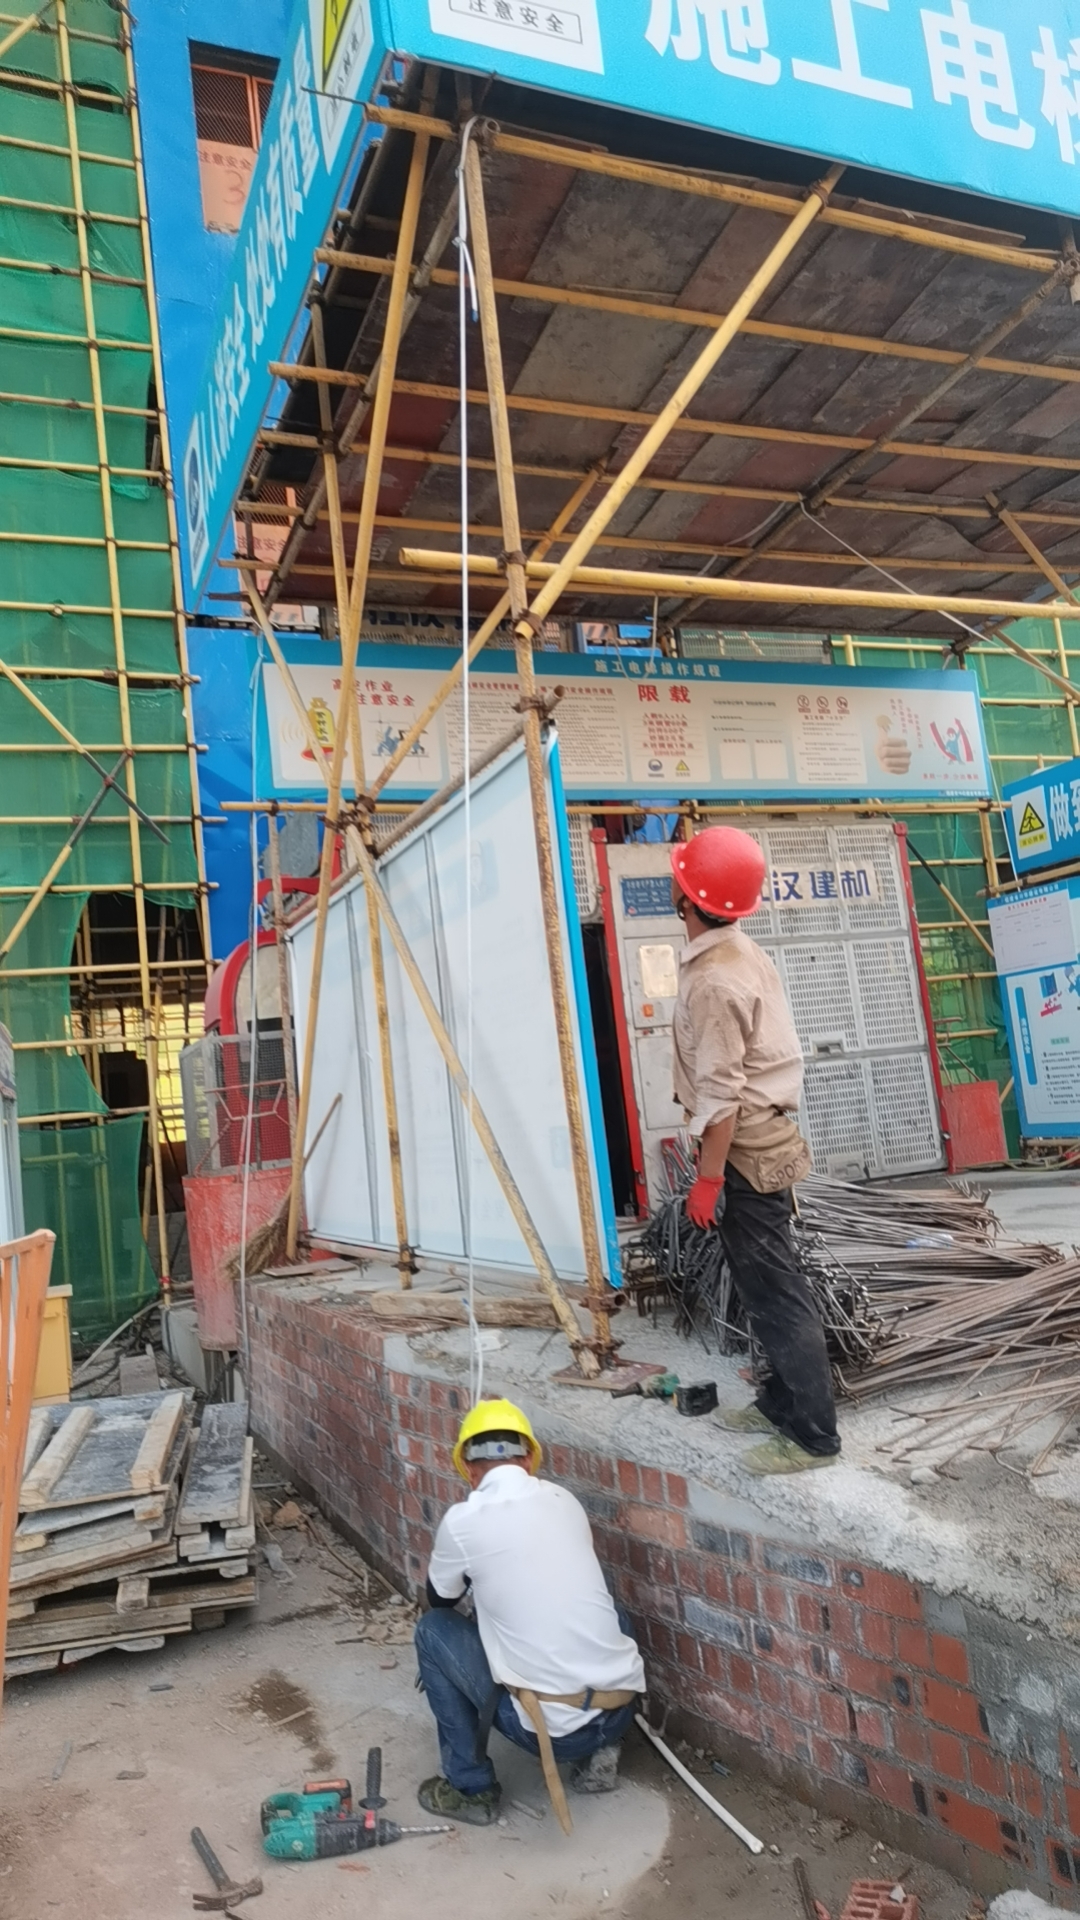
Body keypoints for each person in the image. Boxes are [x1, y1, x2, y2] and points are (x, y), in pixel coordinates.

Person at [670, 826, 840, 1475]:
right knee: (760, 1287)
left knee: (777, 1294)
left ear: (687, 899)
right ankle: (779, 1402)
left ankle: (814, 1436)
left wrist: (708, 1179)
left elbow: (721, 1100)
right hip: (755, 1139)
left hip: (743, 1150)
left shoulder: (715, 980)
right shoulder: (734, 951)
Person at [414, 1398, 645, 1830]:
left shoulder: (462, 1521)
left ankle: (470, 1789)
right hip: (618, 1710)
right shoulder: (564, 1499)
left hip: (552, 1735)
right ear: (528, 1458)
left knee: (432, 1632)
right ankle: (602, 1749)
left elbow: (441, 1600)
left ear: (469, 1468)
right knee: (603, 1611)